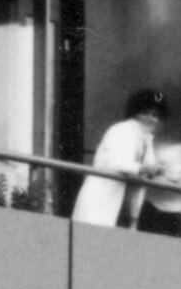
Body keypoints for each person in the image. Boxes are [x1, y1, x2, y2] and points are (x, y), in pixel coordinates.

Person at [71, 89, 169, 226]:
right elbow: (114, 163)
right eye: (145, 113)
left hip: (124, 205)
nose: (150, 118)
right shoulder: (122, 130)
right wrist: (144, 168)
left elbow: (149, 168)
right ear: (135, 112)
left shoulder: (146, 138)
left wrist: (157, 170)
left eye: (155, 115)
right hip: (102, 198)